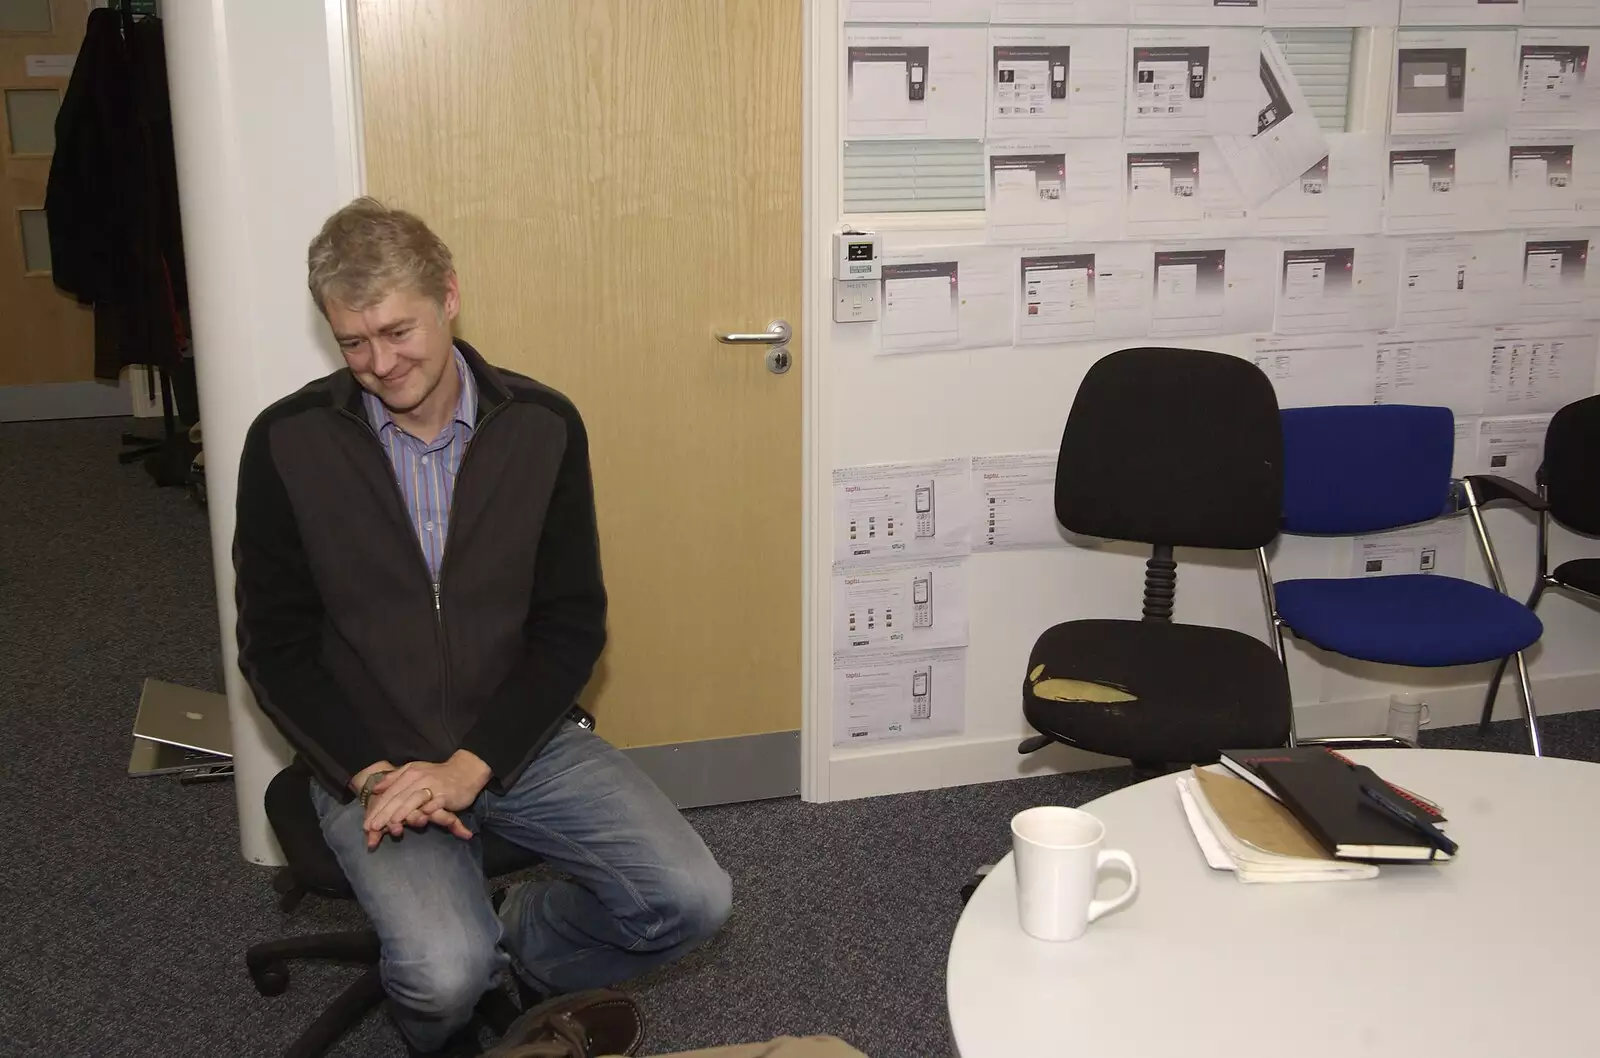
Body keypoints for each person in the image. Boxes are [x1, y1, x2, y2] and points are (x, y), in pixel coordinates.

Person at [234, 198, 732, 1056]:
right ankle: (455, 1020)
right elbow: (273, 650)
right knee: (443, 974)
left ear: (449, 296)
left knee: (695, 899)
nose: (380, 363)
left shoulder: (541, 426)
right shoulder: (286, 443)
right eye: (353, 343)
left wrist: (472, 764)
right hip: (372, 757)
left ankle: (527, 937)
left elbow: (571, 624)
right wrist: (371, 773)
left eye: (397, 332)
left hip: (520, 736)